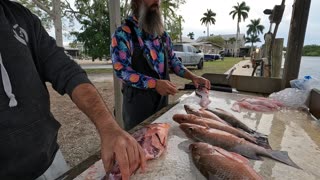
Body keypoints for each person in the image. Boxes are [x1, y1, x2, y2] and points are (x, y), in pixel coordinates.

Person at [0, 0, 145, 180]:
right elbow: (122, 69)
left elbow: (67, 71)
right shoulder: (124, 33)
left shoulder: (19, 15)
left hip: (51, 160)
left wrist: (109, 127)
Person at [111, 0, 211, 131]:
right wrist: (155, 84)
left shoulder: (162, 35)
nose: (157, 1)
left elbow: (174, 62)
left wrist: (193, 77)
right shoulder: (123, 34)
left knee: (161, 138)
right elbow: (122, 71)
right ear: (136, 2)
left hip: (162, 103)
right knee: (140, 144)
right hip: (137, 107)